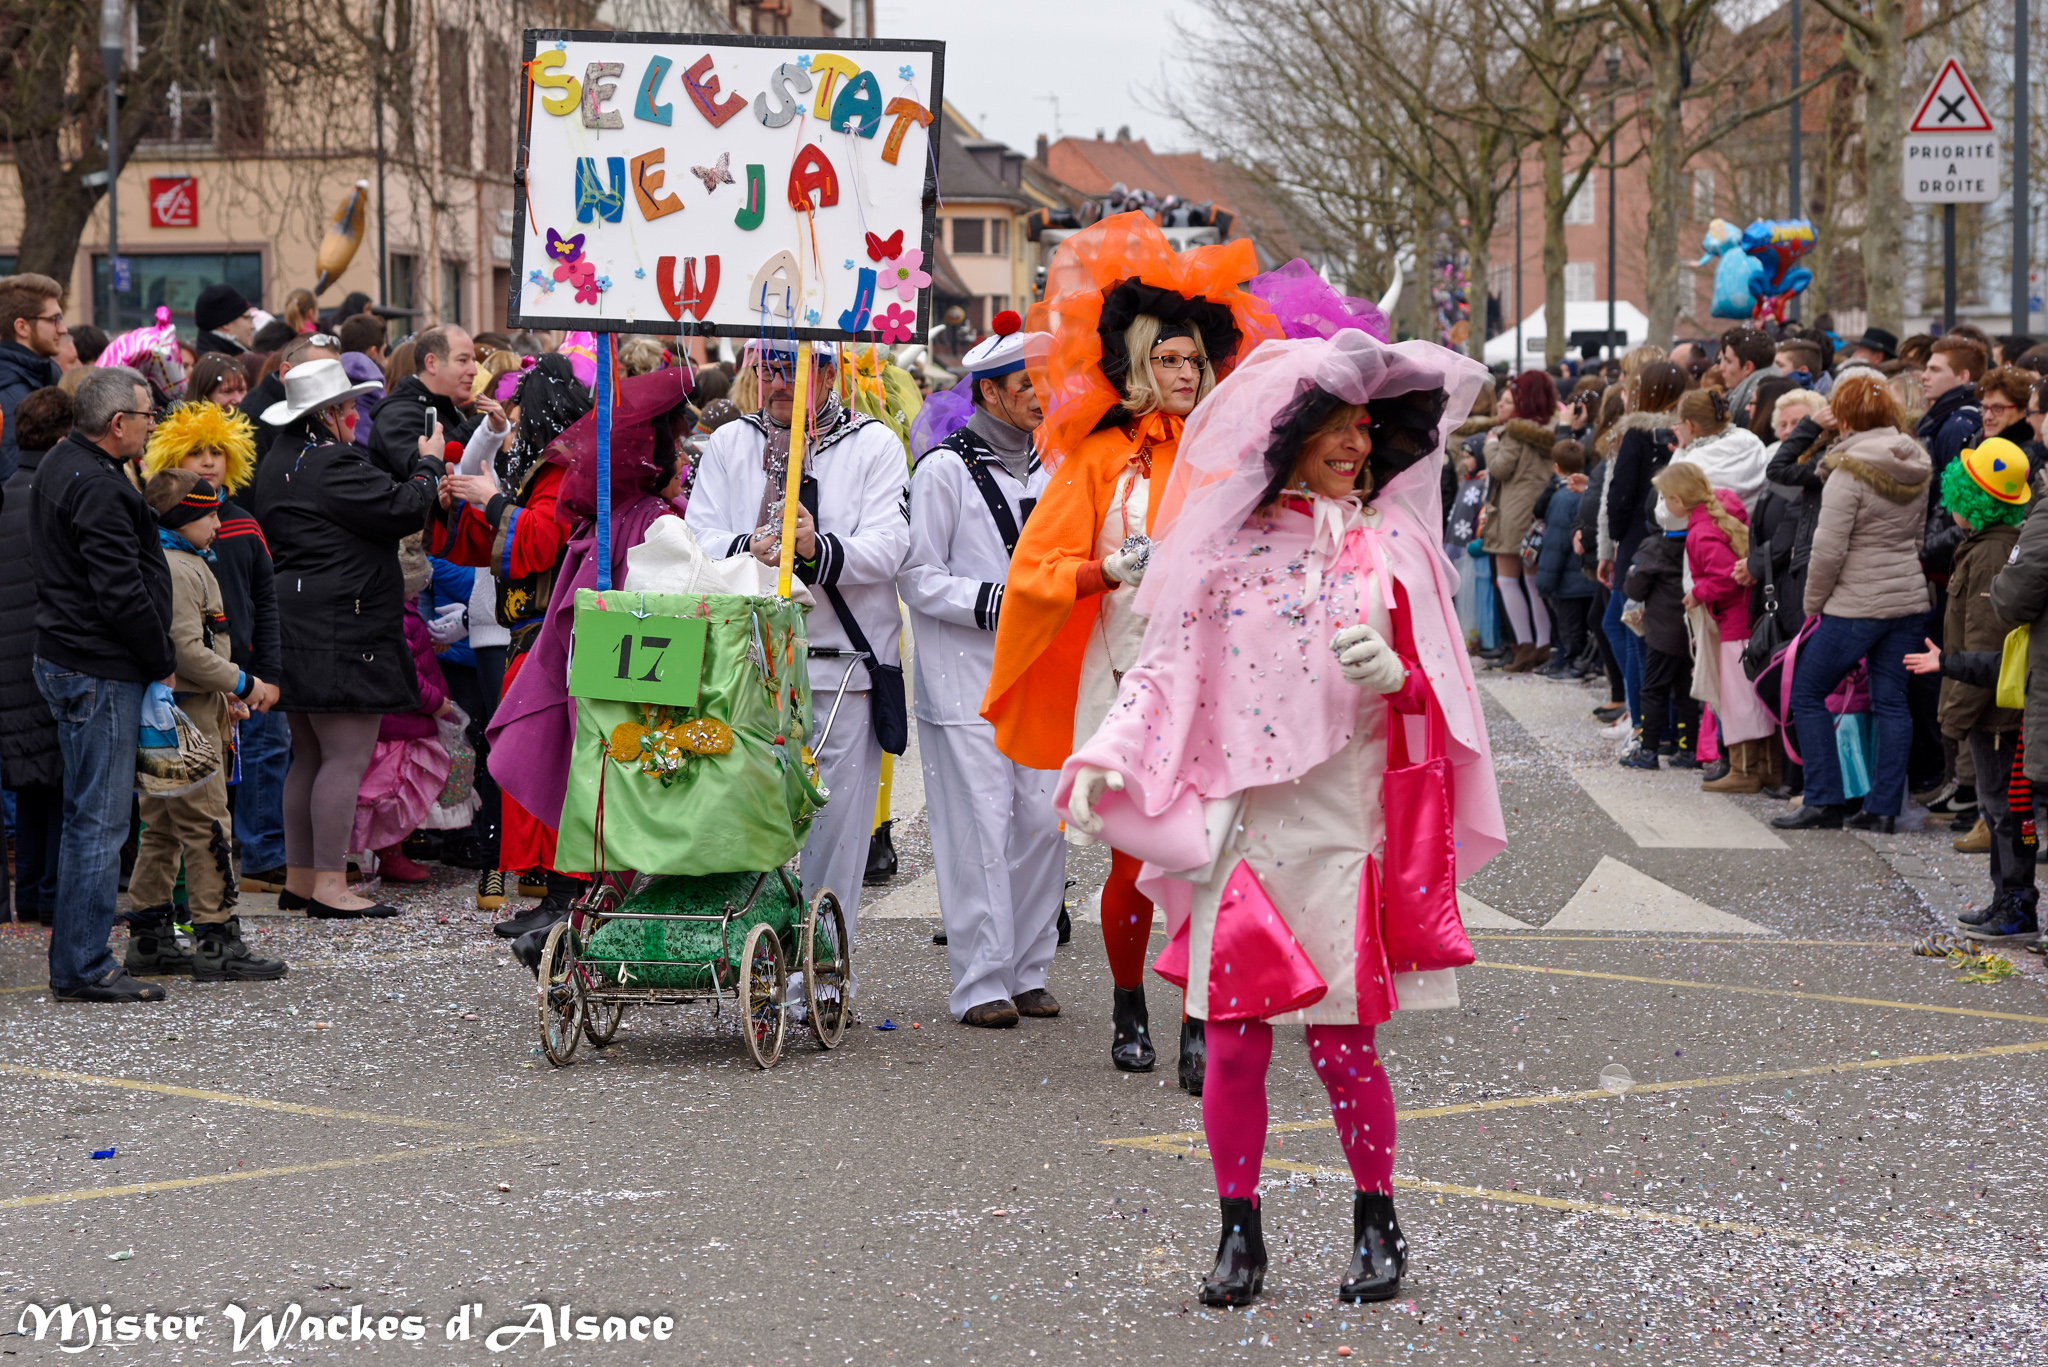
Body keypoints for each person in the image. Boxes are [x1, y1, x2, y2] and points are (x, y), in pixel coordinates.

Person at [1059, 329, 1500, 1308]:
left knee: (1343, 1043)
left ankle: (1376, 1217)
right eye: (1333, 426)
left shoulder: (1390, 548)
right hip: (1246, 829)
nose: (1353, 443)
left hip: (1345, 824)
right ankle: (1237, 1231)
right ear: (1287, 436)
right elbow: (1165, 674)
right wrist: (1105, 754)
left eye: (1363, 428)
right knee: (1230, 1039)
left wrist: (1399, 678)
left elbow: (1440, 692)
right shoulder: (1218, 553)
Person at [983, 213, 1280, 1093]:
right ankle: (1126, 1005)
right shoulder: (1101, 457)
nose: (1186, 374)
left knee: (1208, 857)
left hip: (1218, 683)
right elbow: (1036, 567)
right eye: (1169, 359)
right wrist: (1103, 570)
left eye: (1196, 360)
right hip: (1128, 681)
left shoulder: (1235, 455)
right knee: (1129, 860)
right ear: (1142, 362)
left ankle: (1198, 1018)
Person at [686, 343, 908, 943]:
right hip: (747, 666)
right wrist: (745, 548)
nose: (779, 384)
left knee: (836, 826)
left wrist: (817, 547)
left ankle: (826, 968)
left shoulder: (873, 444)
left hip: (842, 665)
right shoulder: (730, 442)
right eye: (769, 371)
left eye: (794, 370)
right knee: (745, 819)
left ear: (829, 372)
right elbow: (696, 536)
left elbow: (892, 545)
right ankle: (753, 958)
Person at [490, 367, 694, 943]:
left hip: (604, 660)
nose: (683, 458)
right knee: (609, 779)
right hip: (632, 667)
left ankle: (581, 898)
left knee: (592, 775)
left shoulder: (615, 516)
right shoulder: (652, 521)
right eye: (676, 447)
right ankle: (586, 900)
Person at [900, 314, 1064, 1028]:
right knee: (978, 828)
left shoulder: (1054, 468)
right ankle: (981, 981)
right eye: (1027, 383)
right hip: (965, 680)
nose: (1041, 395)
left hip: (1041, 676)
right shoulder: (942, 470)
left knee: (1043, 823)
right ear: (990, 392)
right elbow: (917, 576)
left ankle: (1029, 970)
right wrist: (996, 603)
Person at [253, 358, 444, 917]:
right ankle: (332, 886)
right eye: (350, 409)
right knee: (345, 756)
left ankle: (301, 879)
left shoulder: (279, 458)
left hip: (297, 621)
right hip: (342, 624)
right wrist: (429, 464)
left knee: (309, 756)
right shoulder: (331, 461)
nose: (357, 419)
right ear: (330, 413)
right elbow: (404, 508)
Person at [30, 366, 176, 1000]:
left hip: (72, 656)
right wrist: (160, 657)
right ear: (118, 423)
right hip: (98, 665)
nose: (152, 426)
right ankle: (84, 967)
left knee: (86, 817)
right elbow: (120, 593)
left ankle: (77, 959)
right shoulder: (95, 483)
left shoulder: (65, 463)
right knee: (100, 822)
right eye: (147, 417)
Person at [432, 354, 587, 918]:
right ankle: (555, 890)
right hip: (532, 635)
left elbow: (540, 542)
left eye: (521, 419)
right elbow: (498, 543)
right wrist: (462, 504)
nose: (516, 429)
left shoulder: (561, 470)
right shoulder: (553, 467)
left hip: (553, 638)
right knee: (533, 758)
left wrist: (490, 499)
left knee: (546, 759)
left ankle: (564, 895)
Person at [129, 470, 286, 981]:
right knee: (207, 825)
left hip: (166, 713)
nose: (219, 524)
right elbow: (186, 652)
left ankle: (149, 936)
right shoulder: (179, 568)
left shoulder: (170, 559)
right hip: (187, 719)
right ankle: (218, 938)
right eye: (210, 515)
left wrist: (224, 694)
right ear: (182, 518)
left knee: (161, 826)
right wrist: (243, 683)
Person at [1773, 375, 1932, 833]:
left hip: (1855, 603)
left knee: (1806, 692)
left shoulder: (1848, 470)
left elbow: (1828, 550)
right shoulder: (1915, 462)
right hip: (1907, 597)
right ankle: (1883, 809)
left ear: (1842, 418)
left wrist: (1813, 604)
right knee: (1892, 703)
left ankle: (1824, 799)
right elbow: (1917, 537)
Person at [139, 400, 287, 893]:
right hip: (193, 691)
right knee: (195, 817)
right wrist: (239, 681)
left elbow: (266, 600)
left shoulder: (243, 524)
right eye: (195, 452)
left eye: (217, 451)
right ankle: (203, 916)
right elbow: (184, 644)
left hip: (239, 679)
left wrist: (267, 674)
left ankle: (255, 864)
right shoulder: (163, 550)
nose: (208, 461)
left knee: (254, 767)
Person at [1905, 440, 2033, 942]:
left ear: (1973, 499)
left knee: (2004, 810)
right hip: (1990, 703)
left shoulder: (1989, 554)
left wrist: (1955, 718)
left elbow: (1986, 645)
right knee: (1996, 807)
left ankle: (2016, 906)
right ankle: (2006, 900)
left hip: (1994, 710)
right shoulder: (1986, 546)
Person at [0, 387, 73, 924]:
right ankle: (50, 896)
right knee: (59, 782)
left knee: (30, 784)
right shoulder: (56, 499)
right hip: (46, 655)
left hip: (10, 662)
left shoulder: (8, 492)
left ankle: (28, 893)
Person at [353, 536, 457, 883]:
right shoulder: (399, 617)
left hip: (400, 720)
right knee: (391, 791)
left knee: (389, 790)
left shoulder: (401, 613)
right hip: (402, 723)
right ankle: (389, 853)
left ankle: (385, 852)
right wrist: (436, 703)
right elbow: (406, 673)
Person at [1598, 361, 1687, 746]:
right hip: (1677, 540)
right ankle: (1667, 726)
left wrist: (1615, 541)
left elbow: (1619, 495)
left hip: (1637, 544)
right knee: (1662, 637)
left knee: (1635, 632)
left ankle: (1645, 726)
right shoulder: (1683, 432)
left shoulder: (1636, 434)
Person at [1481, 371, 1560, 673]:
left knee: (1507, 580)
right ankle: (1543, 644)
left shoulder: (1514, 432)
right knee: (1532, 581)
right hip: (1539, 512)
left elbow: (1501, 468)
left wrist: (1491, 445)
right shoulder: (1552, 430)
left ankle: (1525, 645)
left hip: (1513, 514)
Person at [1621, 470, 1698, 769]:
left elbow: (1634, 588)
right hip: (1690, 632)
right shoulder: (1696, 540)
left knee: (1653, 690)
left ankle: (1649, 749)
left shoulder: (1654, 547)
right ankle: (1689, 749)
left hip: (1662, 634)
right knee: (1687, 692)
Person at [370, 326, 478, 481]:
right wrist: (478, 427)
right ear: (431, 363)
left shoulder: (446, 408)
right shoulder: (396, 416)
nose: (474, 370)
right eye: (462, 360)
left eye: (473, 360)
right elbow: (420, 469)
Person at [1532, 439, 1595, 678]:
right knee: (1583, 625)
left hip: (1567, 581)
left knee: (1569, 627)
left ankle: (1571, 664)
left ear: (1556, 467)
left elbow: (1555, 544)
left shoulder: (1562, 498)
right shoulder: (1588, 492)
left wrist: (1545, 582)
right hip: (1585, 575)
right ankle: (1578, 663)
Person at [0, 273, 67, 486]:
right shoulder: (9, 395)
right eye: (54, 319)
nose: (63, 329)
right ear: (22, 327)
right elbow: (14, 485)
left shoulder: (46, 376)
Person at [337, 312, 391, 434]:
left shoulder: (329, 381)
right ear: (373, 351)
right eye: (383, 351)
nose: (384, 359)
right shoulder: (375, 394)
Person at [1718, 327, 1780, 425]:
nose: (1721, 368)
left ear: (1748, 367)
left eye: (1728, 361)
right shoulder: (1771, 391)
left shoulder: (1750, 410)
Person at [193, 283, 257, 358]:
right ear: (225, 324)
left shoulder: (219, 357)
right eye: (247, 318)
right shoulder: (220, 363)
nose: (253, 326)